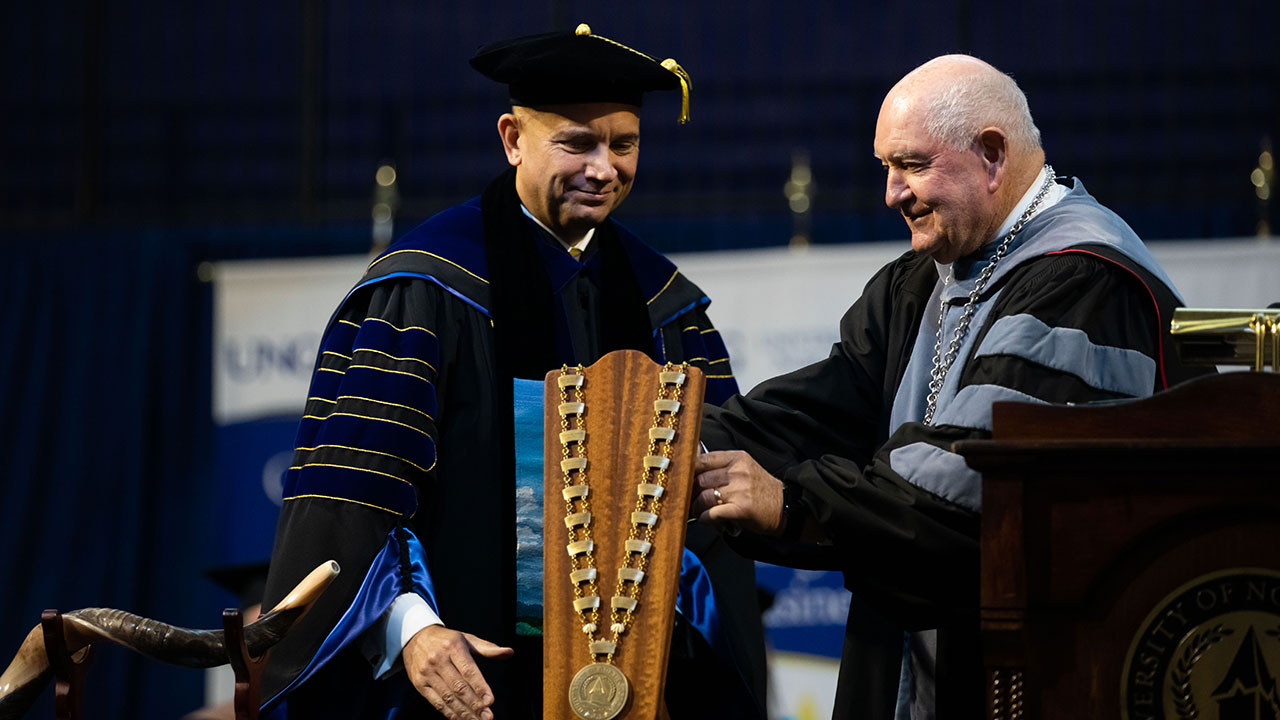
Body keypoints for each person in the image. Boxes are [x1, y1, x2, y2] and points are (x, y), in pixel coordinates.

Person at [259, 25, 765, 720]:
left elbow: (711, 509)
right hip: (462, 687)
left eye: (624, 144)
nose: (603, 168)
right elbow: (350, 505)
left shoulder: (665, 308)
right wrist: (411, 629)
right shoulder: (427, 291)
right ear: (511, 138)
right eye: (577, 142)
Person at [690, 55, 1207, 720]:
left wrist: (794, 502)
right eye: (885, 167)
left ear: (992, 155)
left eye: (910, 164)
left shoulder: (1085, 283)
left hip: (1038, 677)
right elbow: (817, 410)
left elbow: (964, 494)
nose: (891, 193)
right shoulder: (925, 281)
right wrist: (676, 444)